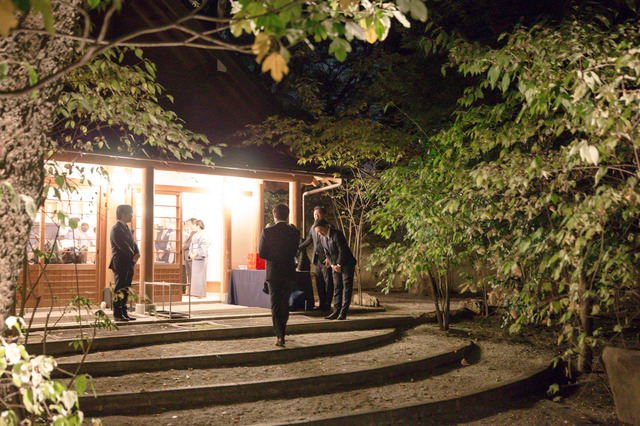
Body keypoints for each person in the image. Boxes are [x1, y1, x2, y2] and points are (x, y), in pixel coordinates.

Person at [258, 203, 300, 347]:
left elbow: (262, 254)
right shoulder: (294, 232)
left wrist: (274, 256)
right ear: (287, 215)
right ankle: (283, 330)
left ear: (274, 215)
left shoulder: (267, 232)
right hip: (288, 271)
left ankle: (279, 335)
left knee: (275, 304)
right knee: (285, 303)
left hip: (273, 272)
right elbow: (295, 252)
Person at [314, 219, 357, 320]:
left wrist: (339, 264)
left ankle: (343, 312)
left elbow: (343, 250)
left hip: (346, 264)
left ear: (326, 227)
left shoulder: (337, 234)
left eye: (321, 231)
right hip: (335, 265)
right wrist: (333, 265)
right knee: (337, 288)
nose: (320, 233)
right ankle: (336, 311)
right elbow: (327, 253)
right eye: (318, 232)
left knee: (347, 288)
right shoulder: (323, 238)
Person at [298, 206, 334, 311]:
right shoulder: (313, 227)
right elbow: (309, 241)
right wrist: (297, 248)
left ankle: (328, 304)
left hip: (326, 259)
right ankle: (321, 304)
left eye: (318, 214)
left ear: (324, 215)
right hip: (316, 259)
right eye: (314, 215)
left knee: (328, 282)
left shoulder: (329, 227)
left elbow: (333, 244)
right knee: (319, 282)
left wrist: (330, 258)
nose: (316, 217)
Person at [109, 204, 140, 322]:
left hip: (129, 261)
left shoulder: (126, 227)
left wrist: (137, 253)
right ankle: (117, 313)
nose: (131, 216)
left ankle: (124, 312)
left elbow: (133, 243)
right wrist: (133, 255)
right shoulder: (116, 228)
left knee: (126, 287)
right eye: (130, 214)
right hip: (120, 261)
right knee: (119, 287)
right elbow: (122, 245)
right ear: (123, 214)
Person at [189, 220, 208, 298]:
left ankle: (201, 293)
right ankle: (196, 293)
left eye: (195, 225)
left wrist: (196, 254)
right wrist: (191, 254)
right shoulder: (194, 235)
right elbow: (191, 246)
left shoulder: (204, 235)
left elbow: (203, 247)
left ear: (198, 226)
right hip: (195, 257)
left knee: (201, 276)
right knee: (195, 276)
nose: (194, 227)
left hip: (200, 258)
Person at [182, 218, 197, 293]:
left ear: (194, 224)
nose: (188, 226)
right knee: (189, 274)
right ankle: (190, 290)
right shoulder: (190, 233)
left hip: (190, 255)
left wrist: (183, 247)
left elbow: (190, 244)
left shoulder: (195, 233)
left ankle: (193, 290)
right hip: (186, 256)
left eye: (189, 224)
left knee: (192, 273)